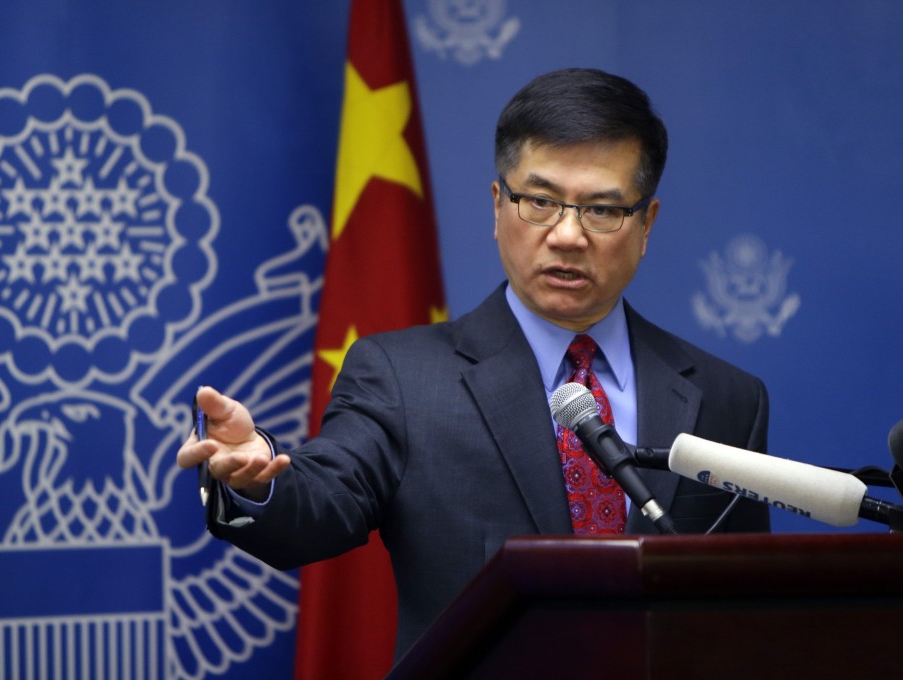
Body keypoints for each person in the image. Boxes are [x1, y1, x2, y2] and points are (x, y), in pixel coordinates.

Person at [177, 67, 770, 660]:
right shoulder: (402, 378)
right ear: (497, 206)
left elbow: (745, 615)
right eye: (539, 201)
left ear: (646, 225)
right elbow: (321, 503)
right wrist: (258, 479)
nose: (567, 235)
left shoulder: (727, 400)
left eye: (603, 210)